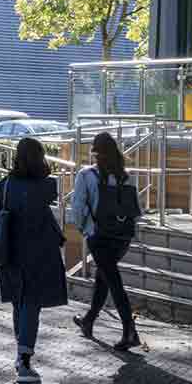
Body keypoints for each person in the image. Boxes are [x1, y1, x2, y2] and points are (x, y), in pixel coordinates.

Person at [0, 137, 67, 384]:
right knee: (31, 304)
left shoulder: (4, 185)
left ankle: (21, 353)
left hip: (10, 252)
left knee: (18, 302)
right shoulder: (45, 186)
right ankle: (23, 360)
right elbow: (48, 195)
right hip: (38, 254)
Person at [69, 129, 142, 351]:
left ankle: (130, 330)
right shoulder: (127, 176)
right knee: (104, 276)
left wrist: (83, 228)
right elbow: (134, 208)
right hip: (122, 236)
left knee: (113, 281)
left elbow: (78, 207)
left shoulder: (86, 175)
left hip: (99, 235)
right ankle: (89, 320)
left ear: (95, 151)